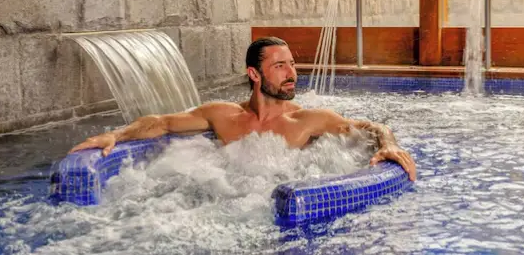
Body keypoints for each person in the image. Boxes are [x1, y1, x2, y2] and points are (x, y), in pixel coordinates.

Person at [69, 36, 417, 181]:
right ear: (254, 74)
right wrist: (115, 134)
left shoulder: (308, 120)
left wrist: (388, 143)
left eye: (292, 64)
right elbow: (161, 123)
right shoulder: (223, 116)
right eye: (280, 66)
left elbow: (368, 128)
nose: (292, 74)